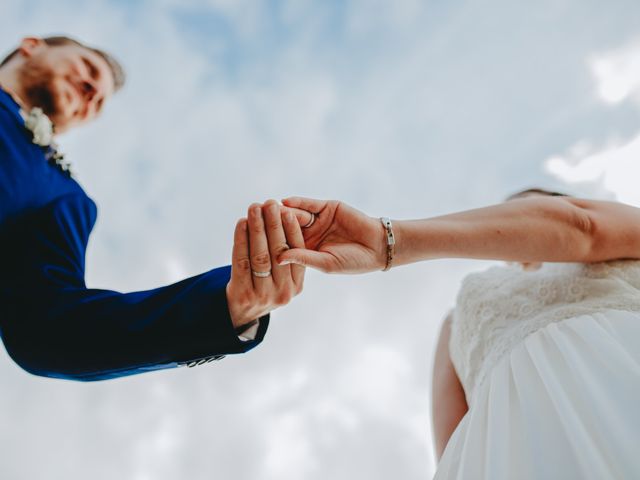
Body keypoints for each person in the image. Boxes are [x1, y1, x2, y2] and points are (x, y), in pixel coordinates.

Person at [0, 35, 305, 381]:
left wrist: (225, 306)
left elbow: (50, 327)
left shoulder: (61, 195)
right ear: (31, 45)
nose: (90, 91)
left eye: (98, 101)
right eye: (87, 68)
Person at [278, 192, 640, 479]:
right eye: (510, 214)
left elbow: (581, 226)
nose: (522, 217)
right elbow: (452, 448)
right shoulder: (459, 317)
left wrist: (389, 240)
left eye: (537, 206)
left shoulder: (617, 232)